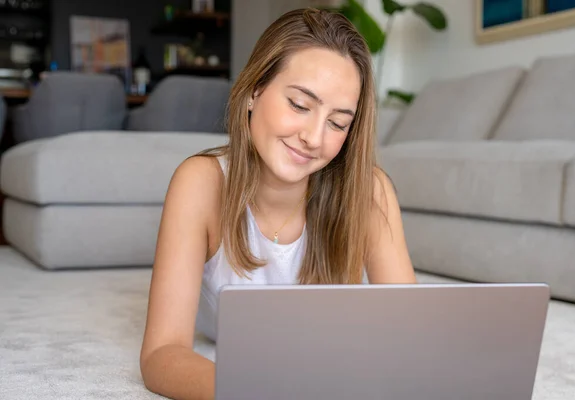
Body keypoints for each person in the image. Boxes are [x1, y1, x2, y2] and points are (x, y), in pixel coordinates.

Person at [140, 7, 416, 400]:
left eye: (338, 123)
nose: (314, 137)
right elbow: (161, 354)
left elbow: (411, 338)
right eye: (300, 105)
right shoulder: (200, 183)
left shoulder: (368, 190)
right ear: (254, 90)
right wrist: (258, 390)